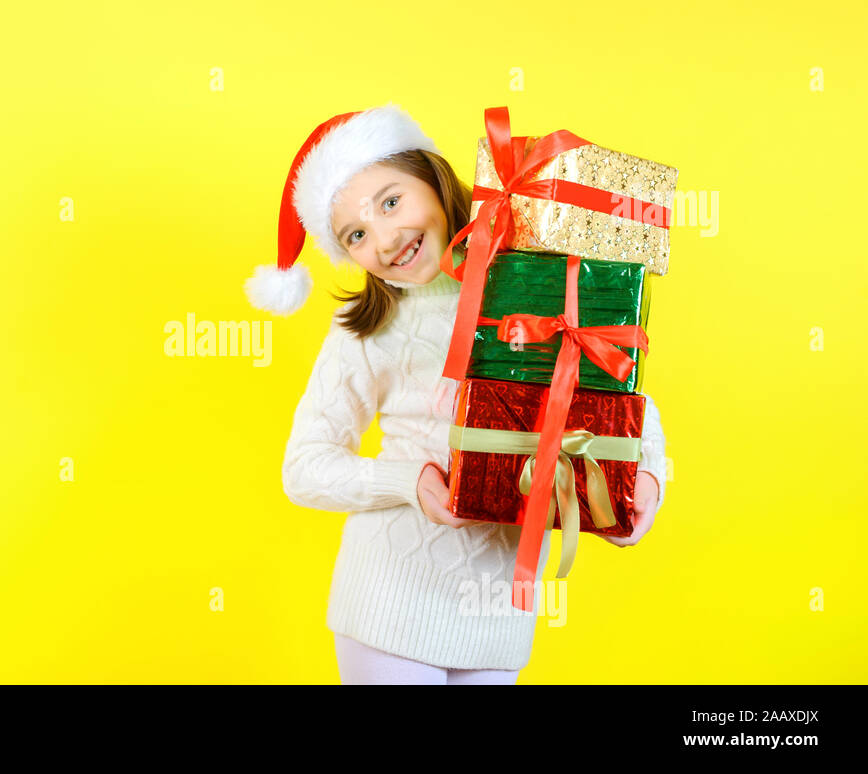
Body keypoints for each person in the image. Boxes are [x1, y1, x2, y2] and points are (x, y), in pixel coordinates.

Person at [245, 104, 666, 685]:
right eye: (357, 234)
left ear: (433, 177)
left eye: (391, 201)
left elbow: (611, 385)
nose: (386, 238)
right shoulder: (367, 331)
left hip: (498, 614)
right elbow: (304, 468)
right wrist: (408, 482)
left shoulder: (534, 282)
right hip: (388, 600)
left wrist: (647, 478)